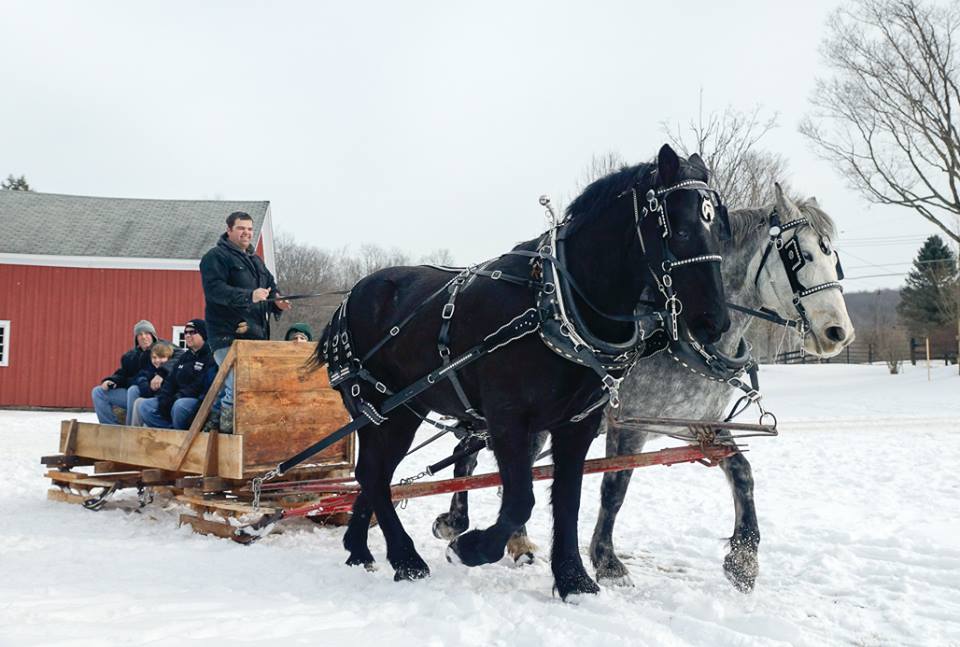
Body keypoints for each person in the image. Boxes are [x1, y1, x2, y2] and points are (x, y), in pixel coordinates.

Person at [199, 211, 290, 433]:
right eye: (241, 228)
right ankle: (228, 438)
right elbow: (215, 291)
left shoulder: (255, 261)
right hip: (226, 336)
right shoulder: (215, 257)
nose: (246, 233)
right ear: (229, 230)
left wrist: (277, 301)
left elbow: (269, 287)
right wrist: (249, 296)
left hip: (256, 337)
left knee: (254, 388)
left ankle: (217, 430)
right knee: (236, 385)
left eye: (249, 229)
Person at [138, 320, 217, 430]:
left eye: (192, 332)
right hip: (176, 397)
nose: (188, 336)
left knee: (179, 405)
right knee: (145, 406)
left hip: (196, 401)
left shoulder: (211, 357)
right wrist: (165, 397)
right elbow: (171, 380)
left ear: (203, 334)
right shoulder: (185, 357)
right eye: (186, 333)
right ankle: (170, 431)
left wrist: (178, 396)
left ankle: (180, 434)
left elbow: (200, 384)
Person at [91, 320, 158, 426]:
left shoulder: (161, 351)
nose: (143, 337)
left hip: (151, 394)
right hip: (131, 394)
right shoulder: (130, 356)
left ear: (153, 335)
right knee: (98, 391)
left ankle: (130, 430)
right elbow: (123, 373)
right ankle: (110, 429)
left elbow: (176, 358)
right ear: (136, 338)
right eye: (140, 334)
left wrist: (160, 375)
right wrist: (112, 380)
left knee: (133, 389)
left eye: (147, 333)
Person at [128, 342, 177, 427]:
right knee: (137, 399)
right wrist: (148, 386)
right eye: (154, 357)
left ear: (169, 359)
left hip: (167, 406)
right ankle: (132, 431)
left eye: (162, 357)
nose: (157, 360)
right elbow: (140, 377)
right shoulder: (151, 369)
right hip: (153, 402)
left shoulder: (172, 371)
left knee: (142, 405)